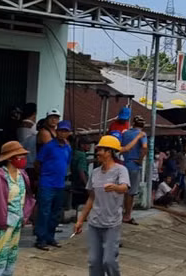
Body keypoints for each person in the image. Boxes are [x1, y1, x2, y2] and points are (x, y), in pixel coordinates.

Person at [75, 135, 130, 276]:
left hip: (112, 224)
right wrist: (80, 220)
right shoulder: (95, 173)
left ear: (109, 152)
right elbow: (91, 198)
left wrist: (115, 188)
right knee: (94, 262)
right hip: (94, 223)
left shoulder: (120, 170)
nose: (97, 153)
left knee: (109, 261)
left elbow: (124, 188)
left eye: (100, 150)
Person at [0, 141, 35, 276]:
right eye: (20, 157)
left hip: (17, 222)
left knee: (11, 255)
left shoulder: (22, 175)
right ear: (11, 159)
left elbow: (27, 196)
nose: (23, 160)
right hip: (3, 224)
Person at [34, 120, 72, 250]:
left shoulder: (68, 147)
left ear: (69, 133)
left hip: (59, 184)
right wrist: (43, 176)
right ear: (57, 132)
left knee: (55, 213)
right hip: (47, 184)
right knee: (44, 212)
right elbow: (38, 163)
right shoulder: (49, 146)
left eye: (66, 131)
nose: (63, 133)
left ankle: (50, 237)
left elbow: (67, 163)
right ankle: (41, 239)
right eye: (61, 130)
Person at [120, 115, 147, 225]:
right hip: (134, 165)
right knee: (131, 193)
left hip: (124, 164)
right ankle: (127, 216)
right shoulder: (142, 134)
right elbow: (144, 147)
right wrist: (140, 160)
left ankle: (120, 213)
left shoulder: (125, 133)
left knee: (122, 190)